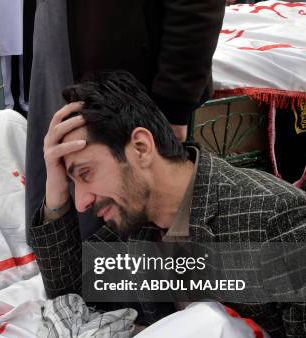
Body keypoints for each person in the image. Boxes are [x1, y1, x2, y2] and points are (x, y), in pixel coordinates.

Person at [27, 70, 306, 338]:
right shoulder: (140, 221)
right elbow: (71, 302)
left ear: (141, 147)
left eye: (85, 175)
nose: (83, 201)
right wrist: (56, 192)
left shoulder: (280, 222)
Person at [25, 0, 226, 237]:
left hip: (128, 84)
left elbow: (197, 8)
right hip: (62, 52)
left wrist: (174, 102)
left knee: (130, 210)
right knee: (71, 185)